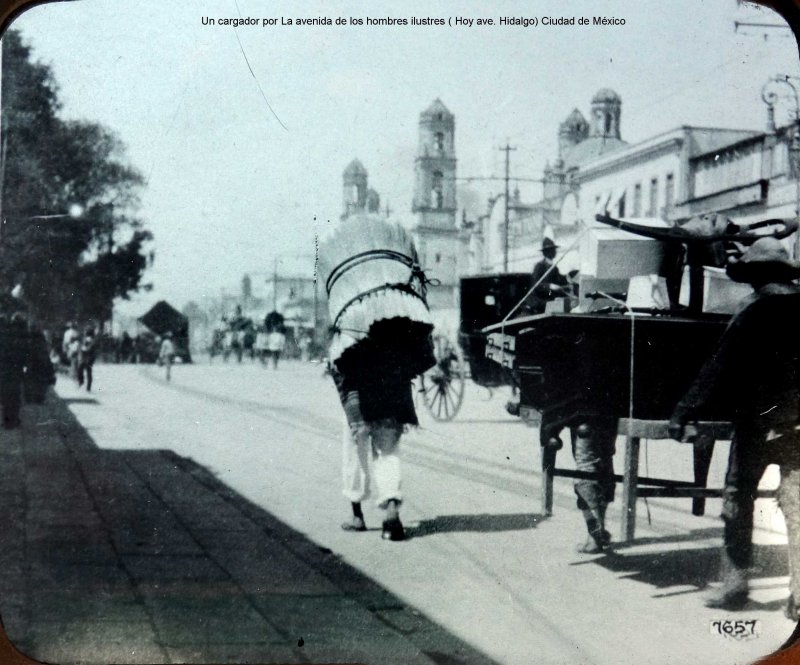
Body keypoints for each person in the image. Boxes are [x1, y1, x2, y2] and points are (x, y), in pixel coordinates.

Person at [668, 237, 800, 616]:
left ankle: (735, 587)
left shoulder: (754, 309)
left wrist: (683, 411)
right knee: (795, 505)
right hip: (797, 425)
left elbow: (718, 366)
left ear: (755, 275)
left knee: (738, 498)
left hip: (756, 424)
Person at [529, 237, 571, 314]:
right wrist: (549, 286)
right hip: (541, 301)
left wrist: (568, 278)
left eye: (554, 249)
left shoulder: (554, 268)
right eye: (552, 250)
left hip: (551, 299)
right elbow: (535, 285)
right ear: (546, 252)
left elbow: (559, 280)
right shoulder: (539, 266)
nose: (555, 252)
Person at [77, 327, 97, 392]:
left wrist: (83, 349)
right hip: (86, 357)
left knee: (85, 370)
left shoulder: (92, 340)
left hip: (89, 357)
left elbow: (88, 348)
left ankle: (85, 384)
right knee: (86, 371)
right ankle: (85, 385)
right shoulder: (86, 339)